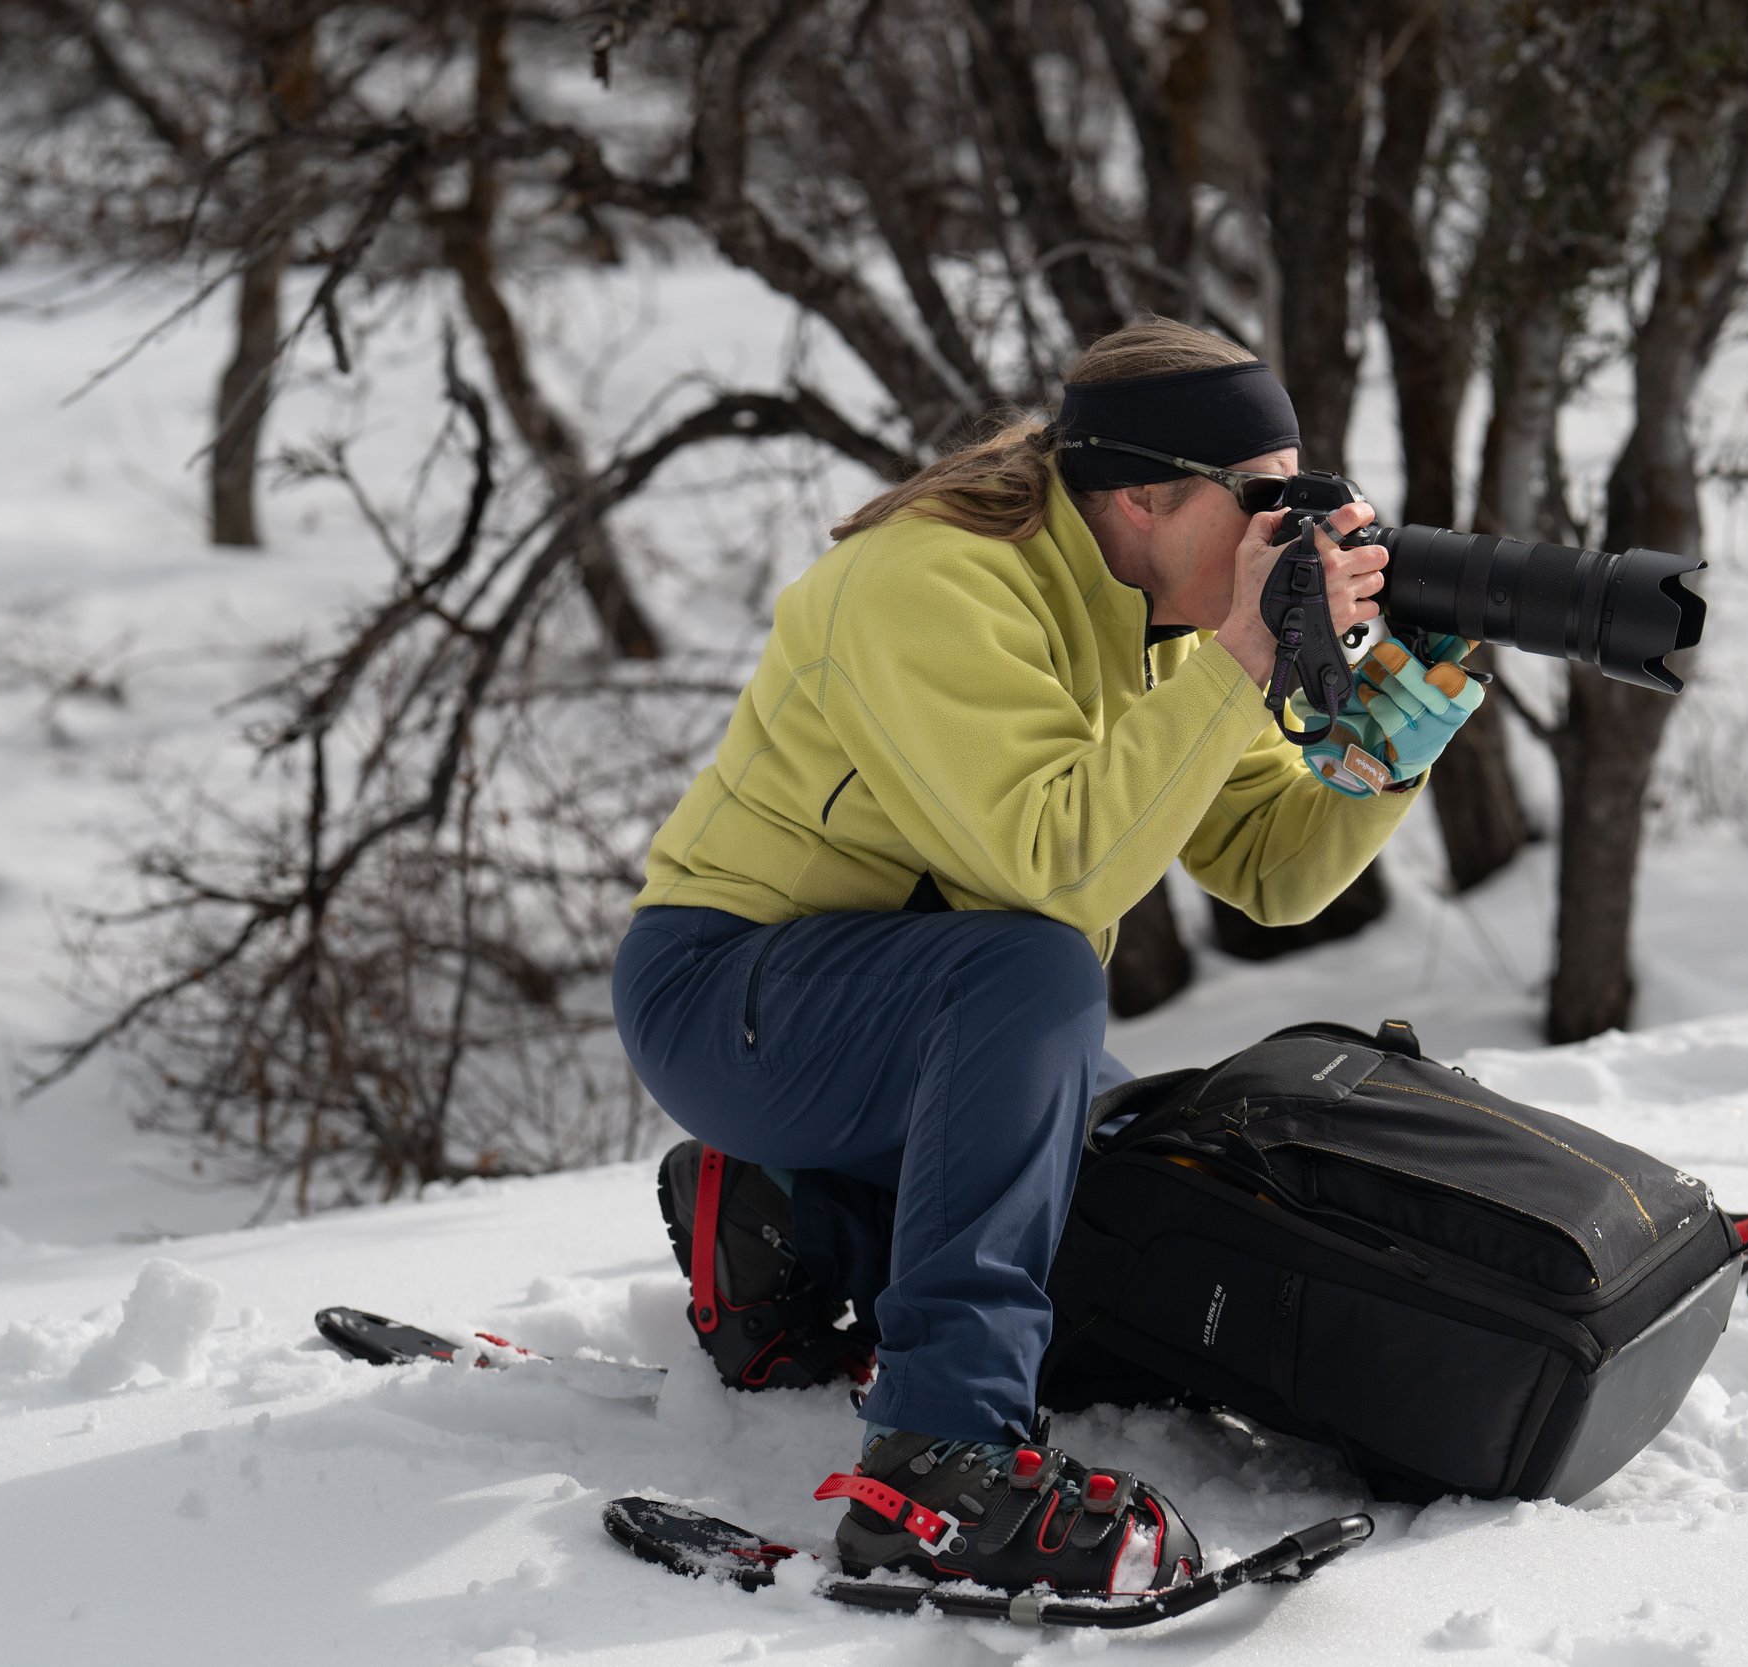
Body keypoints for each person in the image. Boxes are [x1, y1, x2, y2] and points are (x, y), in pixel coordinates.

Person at [610, 316, 1482, 1596]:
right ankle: (937, 1465)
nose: (1280, 532)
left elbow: (1269, 871)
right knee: (1035, 977)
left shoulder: (1167, 621)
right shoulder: (928, 583)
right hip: (727, 990)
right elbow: (1051, 868)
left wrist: (1383, 742)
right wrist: (1247, 651)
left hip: (911, 1020)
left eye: (1297, 494)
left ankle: (790, 1230)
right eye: (1259, 500)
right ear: (1139, 496)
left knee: (1123, 1185)